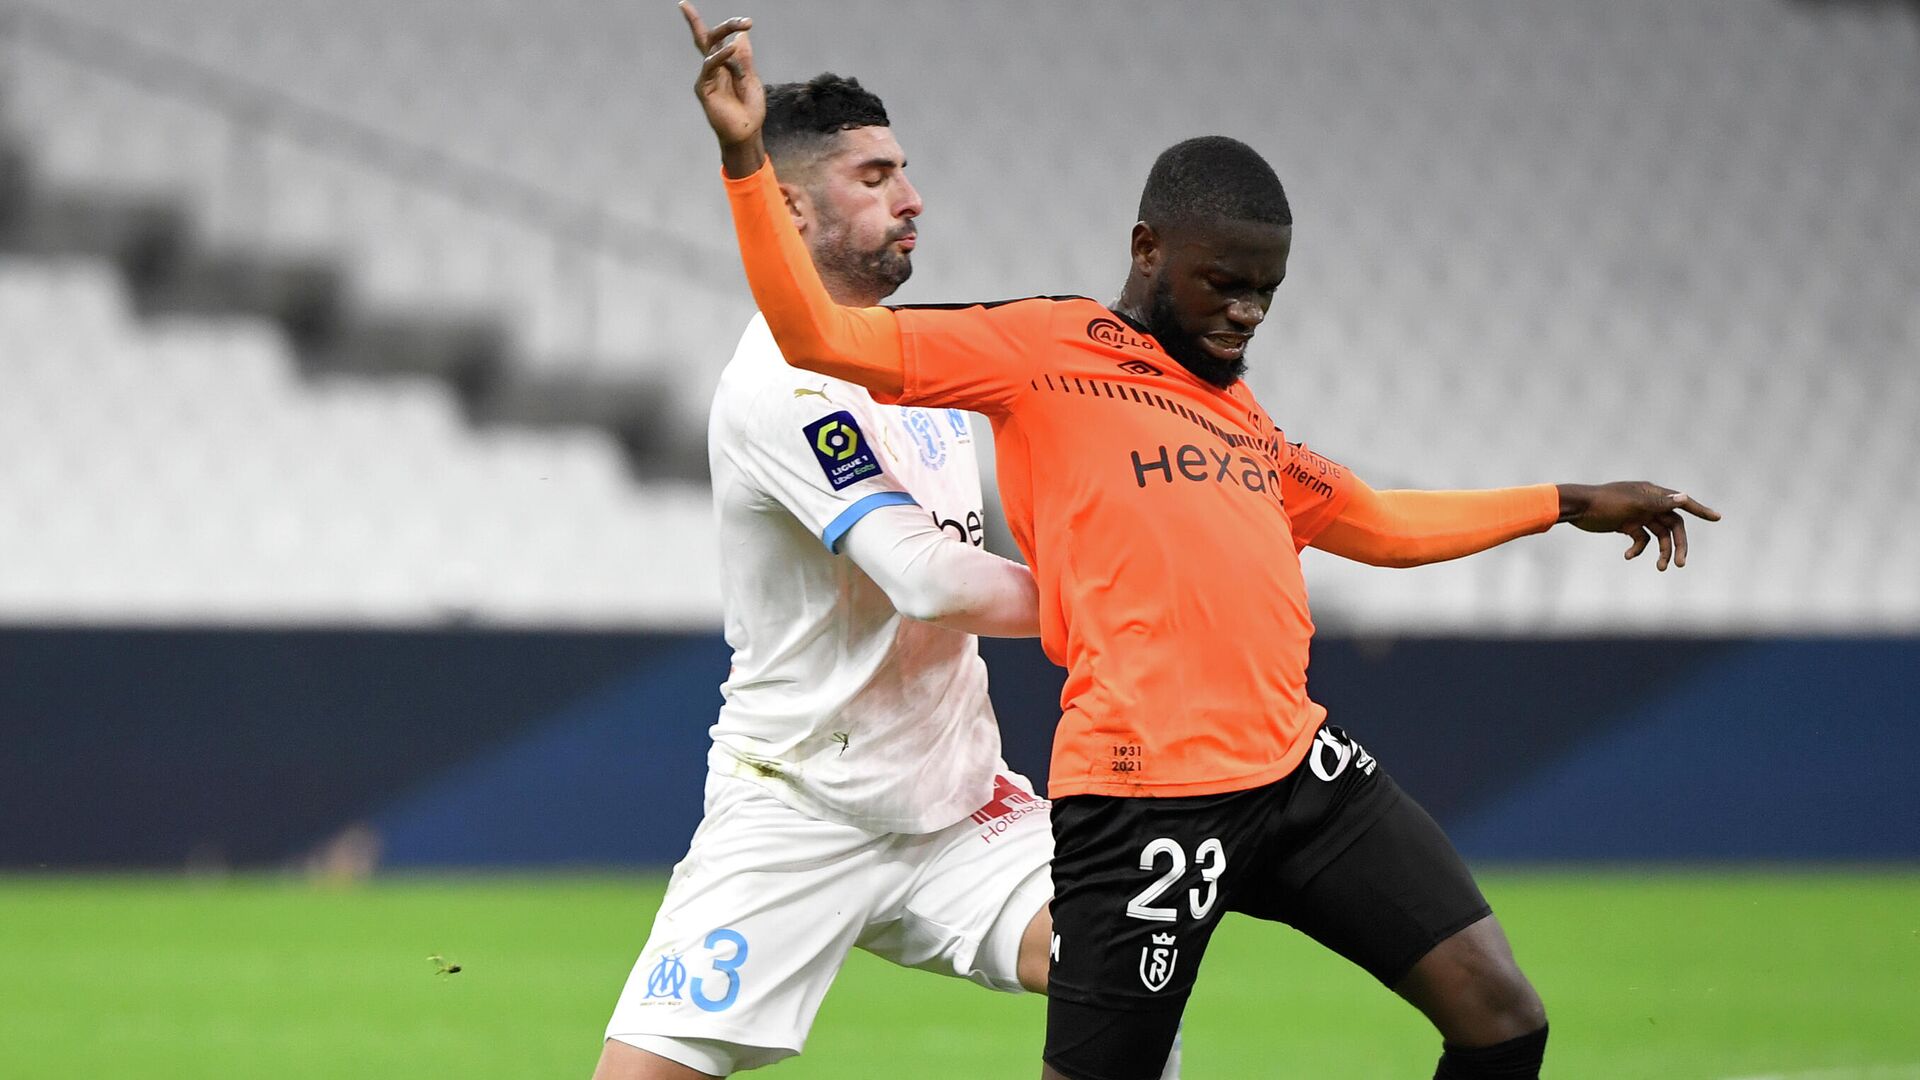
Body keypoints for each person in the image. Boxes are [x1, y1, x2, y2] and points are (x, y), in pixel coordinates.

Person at [681, 6, 1723, 1079]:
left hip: (1299, 769)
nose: (1246, 313)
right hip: (1142, 795)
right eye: (1223, 282)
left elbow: (1380, 523)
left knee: (1502, 1013)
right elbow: (816, 336)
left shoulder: (1239, 416)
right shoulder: (1037, 349)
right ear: (1150, 251)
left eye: (1264, 291)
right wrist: (745, 162)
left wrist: (1561, 498)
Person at [595, 68, 1180, 1079]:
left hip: (956, 804)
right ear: (793, 205)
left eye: (905, 171)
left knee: (1127, 974)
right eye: (875, 177)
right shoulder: (781, 386)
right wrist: (1113, 601)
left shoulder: (924, 357)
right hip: (798, 809)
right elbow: (928, 579)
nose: (912, 199)